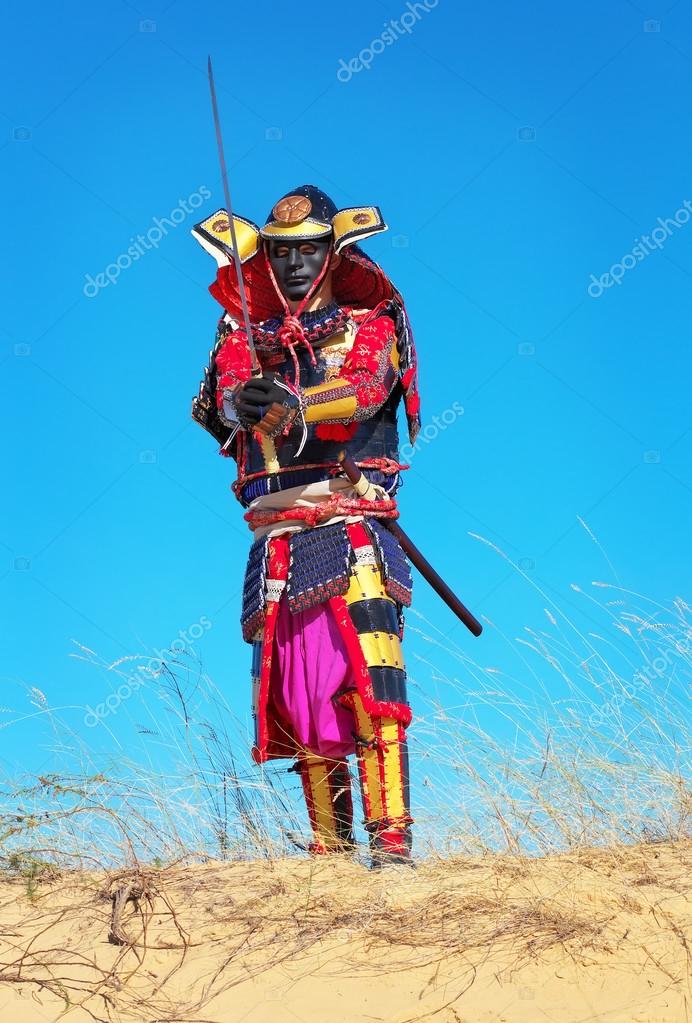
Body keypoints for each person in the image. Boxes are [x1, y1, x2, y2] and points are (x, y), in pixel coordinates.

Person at [192, 185, 421, 866]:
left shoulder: (370, 320)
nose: (294, 265)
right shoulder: (242, 332)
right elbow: (215, 400)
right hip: (275, 537)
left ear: (332, 250)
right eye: (282, 252)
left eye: (308, 251)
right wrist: (241, 402)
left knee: (370, 683)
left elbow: (366, 387)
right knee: (299, 692)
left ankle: (392, 842)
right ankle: (331, 847)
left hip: (349, 523)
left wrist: (294, 402)